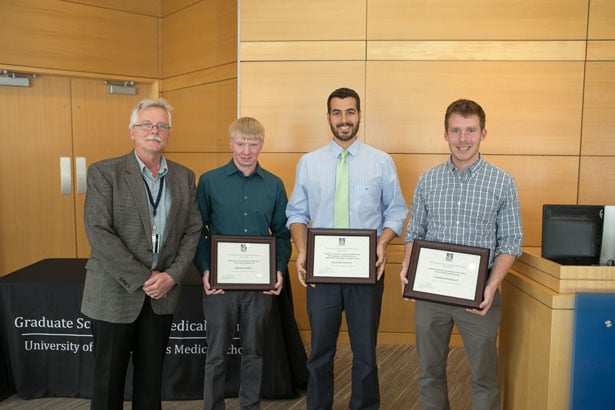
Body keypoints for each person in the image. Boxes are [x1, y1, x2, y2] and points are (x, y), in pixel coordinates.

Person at [286, 87, 409, 409]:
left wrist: (382, 242)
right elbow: (297, 214)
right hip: (322, 272)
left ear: (359, 115)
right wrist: (302, 250)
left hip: (366, 270)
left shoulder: (380, 162)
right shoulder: (309, 163)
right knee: (320, 352)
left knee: (365, 353)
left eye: (350, 112)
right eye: (337, 112)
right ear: (328, 117)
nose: (344, 119)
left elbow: (396, 211)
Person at [400, 99, 523, 410]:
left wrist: (492, 285)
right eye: (456, 130)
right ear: (445, 134)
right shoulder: (428, 179)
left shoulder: (502, 182)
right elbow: (415, 232)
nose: (463, 139)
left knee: (483, 375)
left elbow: (510, 242)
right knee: (429, 372)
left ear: (483, 133)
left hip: (479, 295)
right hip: (430, 293)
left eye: (470, 130)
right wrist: (407, 267)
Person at [81, 98, 202, 409]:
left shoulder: (184, 177)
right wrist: (144, 277)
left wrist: (172, 276)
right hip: (114, 293)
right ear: (131, 132)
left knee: (151, 385)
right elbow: (99, 232)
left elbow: (192, 232)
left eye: (162, 125)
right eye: (146, 124)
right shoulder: (104, 172)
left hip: (161, 296)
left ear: (168, 134)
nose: (154, 130)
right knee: (108, 384)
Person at [193, 117, 291, 410]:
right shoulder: (210, 181)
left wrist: (279, 269)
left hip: (259, 284)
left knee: (254, 352)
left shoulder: (274, 185)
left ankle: (250, 406)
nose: (246, 151)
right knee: (216, 354)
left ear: (262, 145)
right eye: (240, 143)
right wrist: (206, 269)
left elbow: (283, 232)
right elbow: (198, 229)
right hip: (219, 284)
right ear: (230, 143)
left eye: (253, 144)